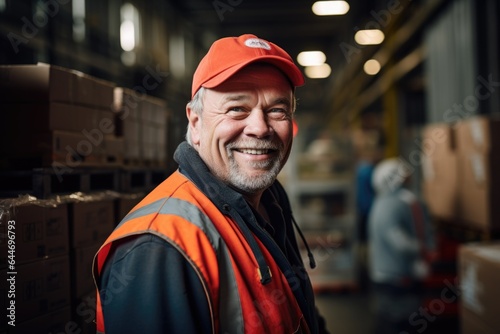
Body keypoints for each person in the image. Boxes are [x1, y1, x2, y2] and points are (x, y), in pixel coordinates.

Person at [93, 34, 330, 334]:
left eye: (277, 110)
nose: (260, 128)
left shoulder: (271, 202)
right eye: (236, 109)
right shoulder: (159, 248)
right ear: (195, 124)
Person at [367, 158, 436, 334]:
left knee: (390, 319)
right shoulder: (391, 204)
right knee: (399, 320)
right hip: (395, 276)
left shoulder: (385, 202)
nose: (408, 177)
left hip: (388, 274)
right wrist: (423, 250)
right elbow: (399, 242)